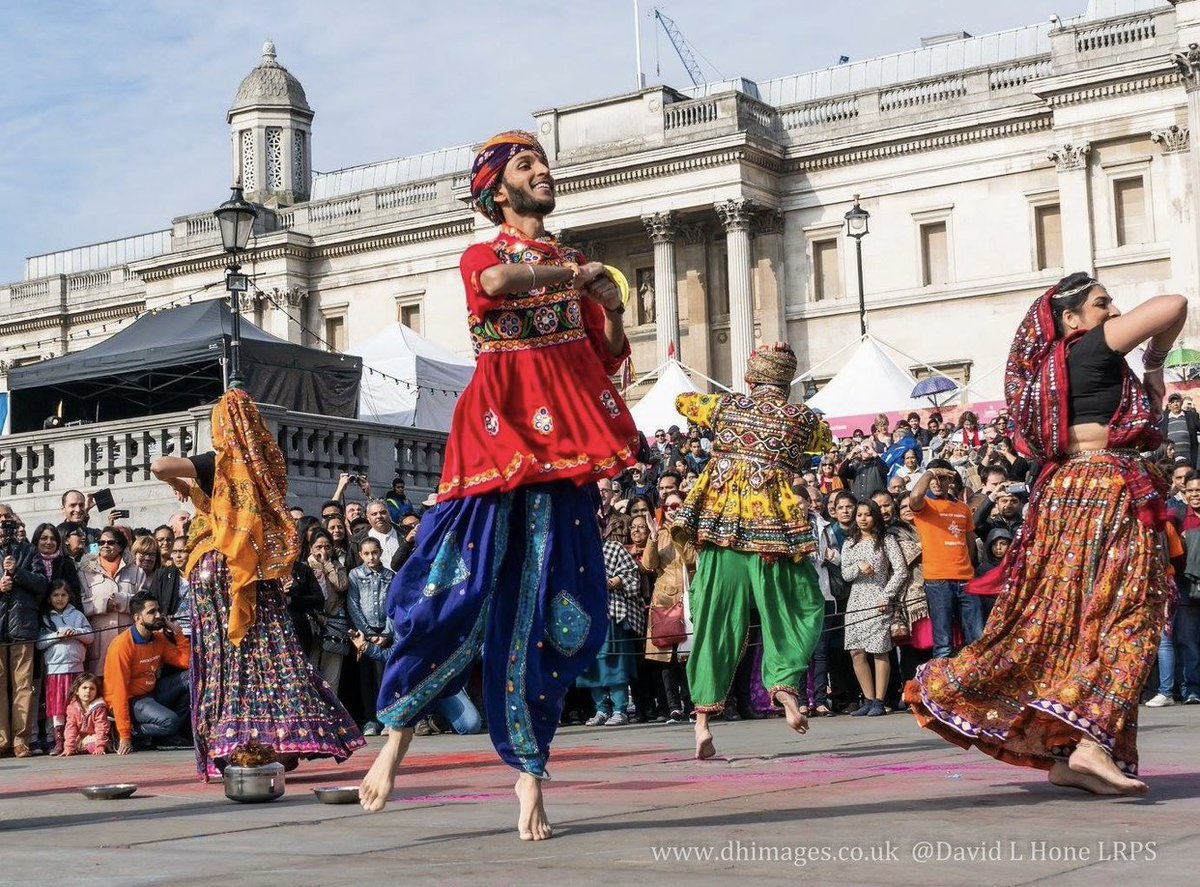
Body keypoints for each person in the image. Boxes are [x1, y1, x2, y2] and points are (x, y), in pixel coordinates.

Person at [359, 131, 637, 842]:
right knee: (456, 589)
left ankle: (530, 776)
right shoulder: (488, 252)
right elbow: (494, 288)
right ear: (497, 191)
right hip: (496, 442)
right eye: (525, 165)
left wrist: (612, 304)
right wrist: (576, 280)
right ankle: (395, 735)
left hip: (562, 452)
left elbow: (605, 353)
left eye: (542, 162)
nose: (542, 171)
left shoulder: (572, 262)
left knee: (553, 607)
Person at [905, 272, 1187, 796]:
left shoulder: (1067, 368)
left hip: (1069, 493)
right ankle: (1090, 746)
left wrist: (1145, 365)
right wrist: (1154, 362)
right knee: (1132, 611)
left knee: (1076, 621)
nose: (1116, 310)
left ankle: (1068, 756)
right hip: (1108, 489)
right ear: (1071, 320)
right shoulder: (1090, 348)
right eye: (1103, 304)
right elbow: (1173, 303)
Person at [151, 389, 364, 780]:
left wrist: (187, 477)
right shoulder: (266, 466)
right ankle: (283, 738)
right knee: (269, 654)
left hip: (219, 574)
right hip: (256, 575)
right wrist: (194, 491)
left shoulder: (222, 461)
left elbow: (159, 466)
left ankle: (233, 739)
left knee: (227, 660)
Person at [673, 342, 831, 760]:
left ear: (752, 377)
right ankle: (787, 694)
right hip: (773, 538)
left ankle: (703, 723)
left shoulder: (726, 408)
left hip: (722, 533)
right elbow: (824, 440)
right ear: (786, 381)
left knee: (713, 620)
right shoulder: (801, 418)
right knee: (798, 608)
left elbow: (682, 400)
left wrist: (727, 409)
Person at [906, 460, 979, 659]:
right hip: (937, 581)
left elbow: (970, 540)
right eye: (933, 479)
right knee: (943, 644)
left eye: (942, 478)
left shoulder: (963, 508)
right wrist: (930, 472)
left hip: (966, 579)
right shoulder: (925, 505)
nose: (937, 483)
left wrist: (969, 567)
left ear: (951, 480)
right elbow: (914, 495)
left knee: (977, 640)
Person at [841, 499, 907, 717]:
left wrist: (887, 595)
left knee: (879, 650)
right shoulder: (850, 543)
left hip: (879, 598)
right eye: (859, 514)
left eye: (867, 514)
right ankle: (868, 699)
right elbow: (845, 574)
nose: (862, 518)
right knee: (856, 651)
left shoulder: (886, 540)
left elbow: (901, 571)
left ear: (875, 516)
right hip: (856, 600)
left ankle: (880, 700)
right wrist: (858, 565)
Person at [103, 591, 191, 753]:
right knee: (170, 721)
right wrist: (125, 735)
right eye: (151, 612)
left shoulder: (158, 638)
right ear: (137, 618)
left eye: (158, 610)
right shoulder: (121, 646)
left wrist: (177, 633)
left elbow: (187, 663)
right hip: (130, 700)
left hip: (151, 693)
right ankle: (129, 731)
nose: (158, 615)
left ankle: (168, 734)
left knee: (191, 678)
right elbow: (119, 693)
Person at [579, 514, 643, 727]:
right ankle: (600, 709)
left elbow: (633, 577)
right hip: (586, 618)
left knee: (614, 664)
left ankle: (619, 709)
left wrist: (613, 582)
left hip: (611, 614)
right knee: (591, 666)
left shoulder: (614, 548)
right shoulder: (578, 553)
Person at [642, 492, 694, 723]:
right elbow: (648, 564)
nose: (672, 509)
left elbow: (693, 559)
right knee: (666, 656)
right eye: (668, 505)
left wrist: (680, 535)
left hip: (690, 599)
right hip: (665, 599)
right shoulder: (660, 533)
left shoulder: (691, 531)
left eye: (676, 505)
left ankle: (693, 703)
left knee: (689, 655)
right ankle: (673, 706)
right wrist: (653, 537)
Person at [36, 579, 92, 755]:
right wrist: (57, 635)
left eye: (63, 595)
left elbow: (90, 636)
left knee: (76, 705)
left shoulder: (77, 616)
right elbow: (39, 643)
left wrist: (76, 632)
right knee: (57, 708)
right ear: (49, 598)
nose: (60, 599)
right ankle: (59, 741)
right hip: (55, 670)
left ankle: (75, 740)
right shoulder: (46, 618)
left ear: (69, 596)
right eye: (55, 595)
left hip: (76, 668)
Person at [80, 528, 145, 678]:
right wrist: (103, 604)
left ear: (121, 546)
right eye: (101, 542)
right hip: (98, 644)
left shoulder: (136, 571)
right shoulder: (84, 572)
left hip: (128, 638)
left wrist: (123, 601)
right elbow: (79, 604)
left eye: (110, 542)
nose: (105, 545)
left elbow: (144, 604)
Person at [347, 537, 395, 737]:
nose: (371, 557)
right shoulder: (355, 575)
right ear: (360, 555)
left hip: (384, 631)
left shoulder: (390, 576)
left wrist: (386, 632)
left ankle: (386, 719)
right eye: (366, 553)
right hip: (363, 633)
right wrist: (366, 633)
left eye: (374, 552)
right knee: (365, 678)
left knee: (383, 677)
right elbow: (353, 604)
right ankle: (370, 719)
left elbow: (393, 606)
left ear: (380, 552)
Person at [62, 672, 110, 756]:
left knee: (93, 745)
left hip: (97, 737)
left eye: (92, 689)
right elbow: (70, 728)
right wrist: (68, 747)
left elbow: (101, 727)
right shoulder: (72, 708)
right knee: (75, 743)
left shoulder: (99, 707)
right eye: (84, 688)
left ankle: (97, 746)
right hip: (81, 737)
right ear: (77, 691)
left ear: (96, 692)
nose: (88, 691)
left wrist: (100, 746)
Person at [1161, 392, 1200, 470]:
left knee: (1189, 474)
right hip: (1171, 456)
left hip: (1189, 454)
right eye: (1172, 402)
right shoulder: (1163, 417)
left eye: (1177, 401)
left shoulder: (1191, 415)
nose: (1175, 404)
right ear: (1169, 405)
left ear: (1181, 403)